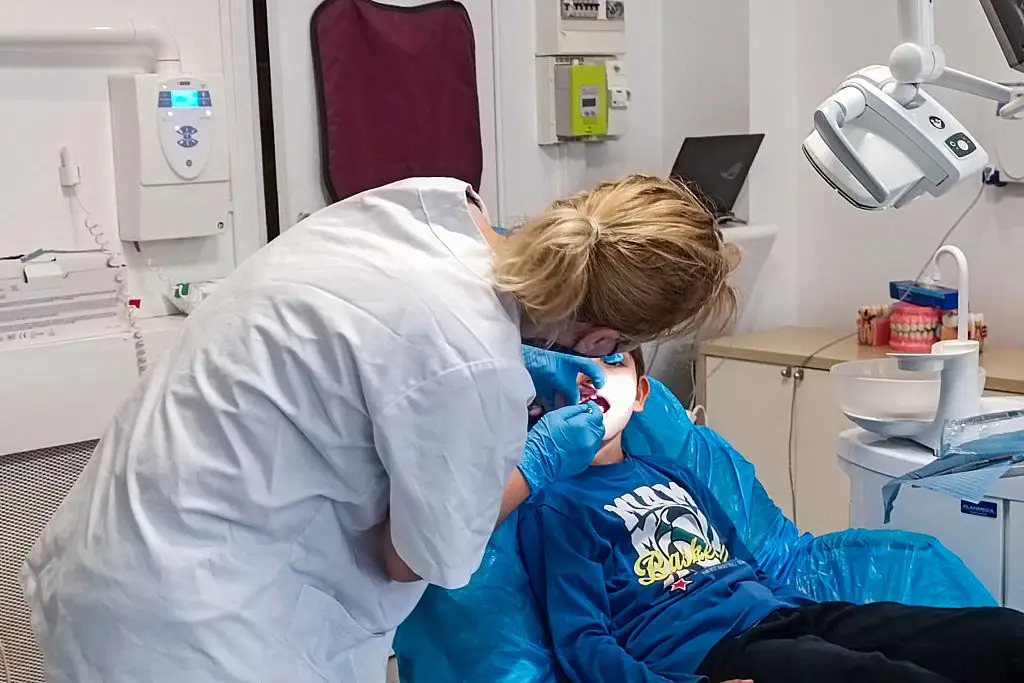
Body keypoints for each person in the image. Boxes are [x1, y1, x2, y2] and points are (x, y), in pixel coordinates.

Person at [22, 175, 736, 683]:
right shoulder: (472, 364)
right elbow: (412, 556)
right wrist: (536, 461)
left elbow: (386, 346)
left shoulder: (433, 206)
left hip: (118, 548)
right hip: (199, 624)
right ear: (603, 337)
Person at [518, 350, 1024, 683]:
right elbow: (582, 644)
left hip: (787, 614)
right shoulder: (556, 505)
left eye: (612, 358)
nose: (591, 376)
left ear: (643, 392)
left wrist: (798, 613)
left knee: (1001, 635)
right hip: (713, 652)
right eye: (574, 365)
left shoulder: (673, 473)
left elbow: (742, 562)